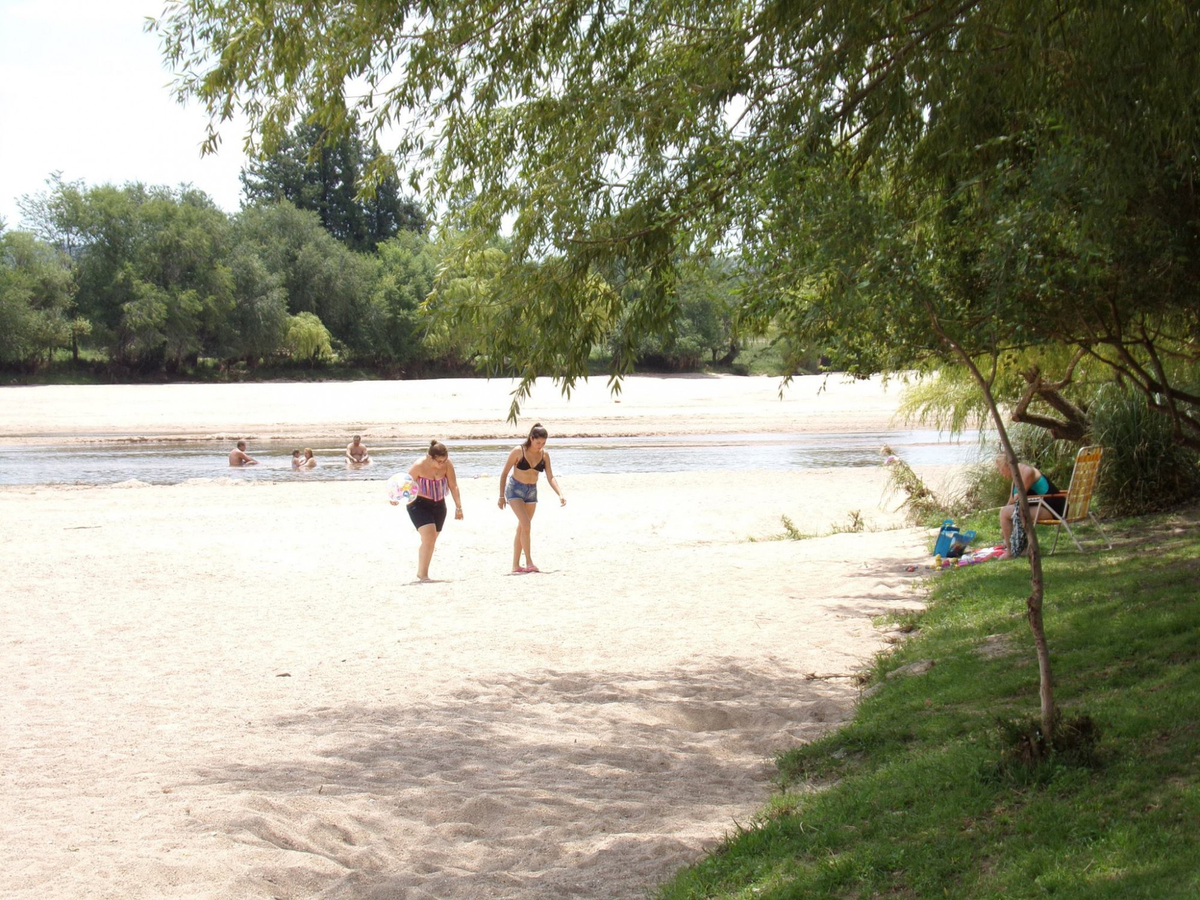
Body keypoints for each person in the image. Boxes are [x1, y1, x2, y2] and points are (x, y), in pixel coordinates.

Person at [498, 423, 566, 574]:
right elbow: (504, 474)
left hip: (531, 491)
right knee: (526, 524)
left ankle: (515, 566)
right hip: (514, 489)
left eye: (543, 443)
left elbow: (550, 476)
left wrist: (560, 493)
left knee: (522, 527)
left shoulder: (544, 455)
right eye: (537, 442)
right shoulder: (518, 451)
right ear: (531, 438)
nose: (540, 446)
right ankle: (529, 562)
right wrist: (501, 496)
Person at [395, 440, 463, 582]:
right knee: (429, 537)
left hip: (439, 505)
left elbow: (453, 485)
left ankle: (421, 572)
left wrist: (458, 506)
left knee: (431, 540)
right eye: (439, 461)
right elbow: (405, 484)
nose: (442, 464)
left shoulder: (447, 465)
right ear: (430, 457)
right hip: (419, 504)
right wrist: (396, 497)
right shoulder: (419, 466)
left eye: (444, 460)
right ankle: (424, 575)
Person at [996, 454, 1064, 558]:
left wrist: (1005, 515)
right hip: (1044, 506)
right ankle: (1021, 548)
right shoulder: (1016, 476)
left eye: (1000, 469)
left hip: (1052, 509)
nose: (1000, 472)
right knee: (1005, 512)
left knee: (1005, 512)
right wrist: (1003, 526)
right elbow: (1011, 502)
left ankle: (1010, 552)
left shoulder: (1026, 471)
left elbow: (1018, 497)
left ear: (1007, 465)